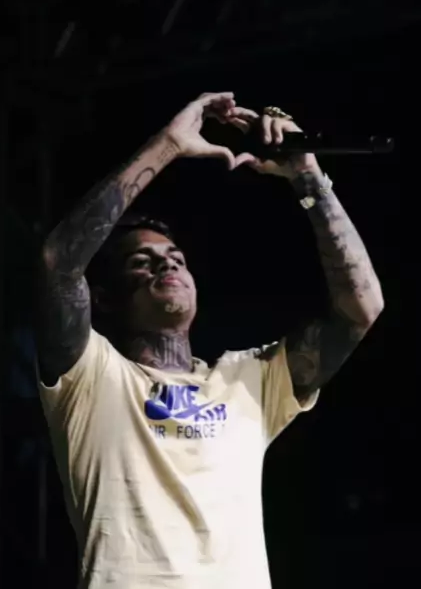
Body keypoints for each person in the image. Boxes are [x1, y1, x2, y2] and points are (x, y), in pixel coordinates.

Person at [36, 91, 384, 589]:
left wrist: (307, 176)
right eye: (142, 261)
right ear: (105, 299)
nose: (166, 264)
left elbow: (361, 308)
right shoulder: (91, 377)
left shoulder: (248, 380)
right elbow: (58, 263)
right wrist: (169, 144)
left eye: (176, 258)